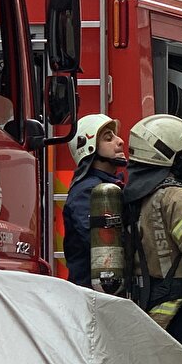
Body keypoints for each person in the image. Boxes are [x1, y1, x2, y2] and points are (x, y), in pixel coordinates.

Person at [121, 114, 182, 329]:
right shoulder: (175, 196)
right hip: (179, 311)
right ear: (165, 154)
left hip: (145, 308)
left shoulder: (134, 195)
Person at [62, 114, 126, 286]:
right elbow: (103, 243)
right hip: (93, 298)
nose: (120, 141)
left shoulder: (111, 186)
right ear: (89, 148)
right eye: (108, 138)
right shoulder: (87, 192)